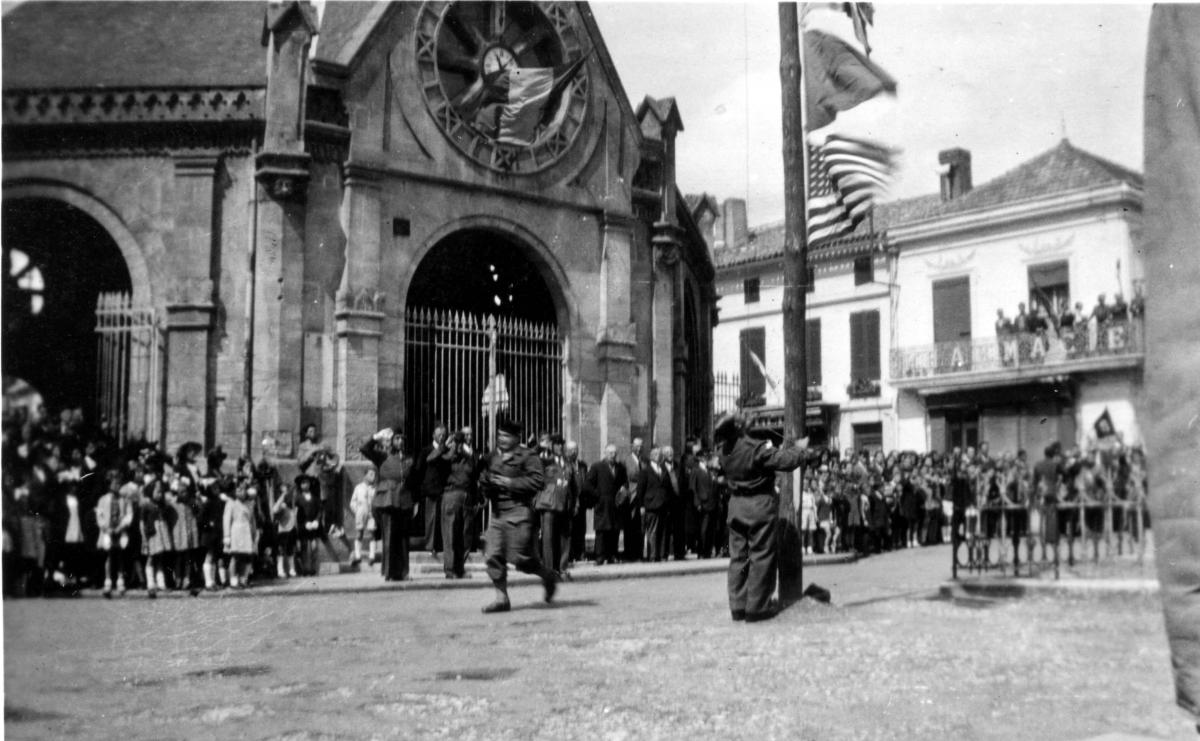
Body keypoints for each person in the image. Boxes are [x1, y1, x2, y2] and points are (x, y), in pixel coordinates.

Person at [714, 412, 816, 622]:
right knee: (761, 555)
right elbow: (785, 461)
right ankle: (757, 608)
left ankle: (738, 606)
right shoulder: (755, 448)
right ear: (740, 427)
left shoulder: (724, 450)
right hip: (758, 506)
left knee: (738, 558)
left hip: (736, 506)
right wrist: (801, 449)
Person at [478, 417, 559, 613]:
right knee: (493, 555)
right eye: (499, 435)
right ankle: (502, 598)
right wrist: (486, 482)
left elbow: (538, 481)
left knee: (519, 559)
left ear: (516, 438)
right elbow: (484, 481)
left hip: (519, 513)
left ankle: (548, 575)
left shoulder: (528, 456)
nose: (502, 439)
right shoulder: (494, 458)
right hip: (498, 514)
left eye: (506, 436)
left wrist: (509, 482)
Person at [360, 428, 414, 582]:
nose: (400, 441)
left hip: (403, 500)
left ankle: (404, 572)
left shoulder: (408, 458)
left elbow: (411, 480)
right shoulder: (382, 456)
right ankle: (390, 573)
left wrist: (413, 501)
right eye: (397, 438)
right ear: (391, 441)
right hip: (387, 500)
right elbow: (364, 448)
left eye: (402, 438)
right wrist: (376, 436)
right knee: (389, 537)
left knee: (403, 538)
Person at [440, 426, 478, 579]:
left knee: (464, 535)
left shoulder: (469, 457)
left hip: (466, 496)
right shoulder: (446, 456)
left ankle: (460, 568)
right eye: (459, 439)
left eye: (462, 440)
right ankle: (450, 570)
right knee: (450, 534)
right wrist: (447, 446)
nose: (460, 443)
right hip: (451, 494)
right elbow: (436, 459)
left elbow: (474, 472)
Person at [584, 443, 625, 565]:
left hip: (616, 504)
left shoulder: (620, 468)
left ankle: (612, 555)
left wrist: (623, 493)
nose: (613, 455)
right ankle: (600, 556)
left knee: (614, 530)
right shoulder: (597, 466)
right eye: (610, 453)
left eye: (614, 453)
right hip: (602, 503)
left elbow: (624, 483)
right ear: (605, 453)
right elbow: (587, 484)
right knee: (601, 531)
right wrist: (598, 495)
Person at [416, 425, 449, 557]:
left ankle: (441, 545)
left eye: (444, 434)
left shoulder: (446, 450)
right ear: (433, 436)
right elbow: (419, 469)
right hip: (430, 490)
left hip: (443, 488)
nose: (442, 437)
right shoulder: (426, 451)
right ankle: (430, 546)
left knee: (442, 518)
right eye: (439, 434)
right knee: (430, 519)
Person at [223, 482, 259, 589]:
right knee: (236, 557)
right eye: (238, 490)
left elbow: (252, 521)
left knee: (247, 557)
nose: (241, 492)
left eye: (243, 490)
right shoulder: (231, 503)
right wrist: (227, 536)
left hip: (247, 532)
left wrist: (254, 534)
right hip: (236, 532)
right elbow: (226, 520)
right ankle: (233, 581)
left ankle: (243, 579)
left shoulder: (250, 504)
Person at [562, 441, 589, 564]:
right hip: (569, 502)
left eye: (576, 449)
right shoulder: (564, 464)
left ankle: (581, 553)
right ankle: (570, 554)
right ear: (566, 451)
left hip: (581, 501)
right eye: (571, 450)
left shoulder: (582, 465)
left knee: (581, 529)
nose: (574, 452)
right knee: (569, 529)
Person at [621, 438, 646, 562]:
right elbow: (627, 477)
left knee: (640, 526)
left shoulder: (644, 461)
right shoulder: (627, 460)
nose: (639, 448)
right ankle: (629, 553)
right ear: (632, 446)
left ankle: (639, 553)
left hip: (642, 496)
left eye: (641, 446)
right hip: (631, 496)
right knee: (630, 526)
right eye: (637, 446)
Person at [349, 468, 376, 566]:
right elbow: (353, 502)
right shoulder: (358, 488)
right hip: (361, 513)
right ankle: (358, 556)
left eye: (374, 475)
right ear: (365, 475)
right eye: (371, 474)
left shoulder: (374, 489)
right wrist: (357, 511)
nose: (373, 477)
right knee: (359, 533)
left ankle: (372, 556)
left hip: (371, 514)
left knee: (372, 533)